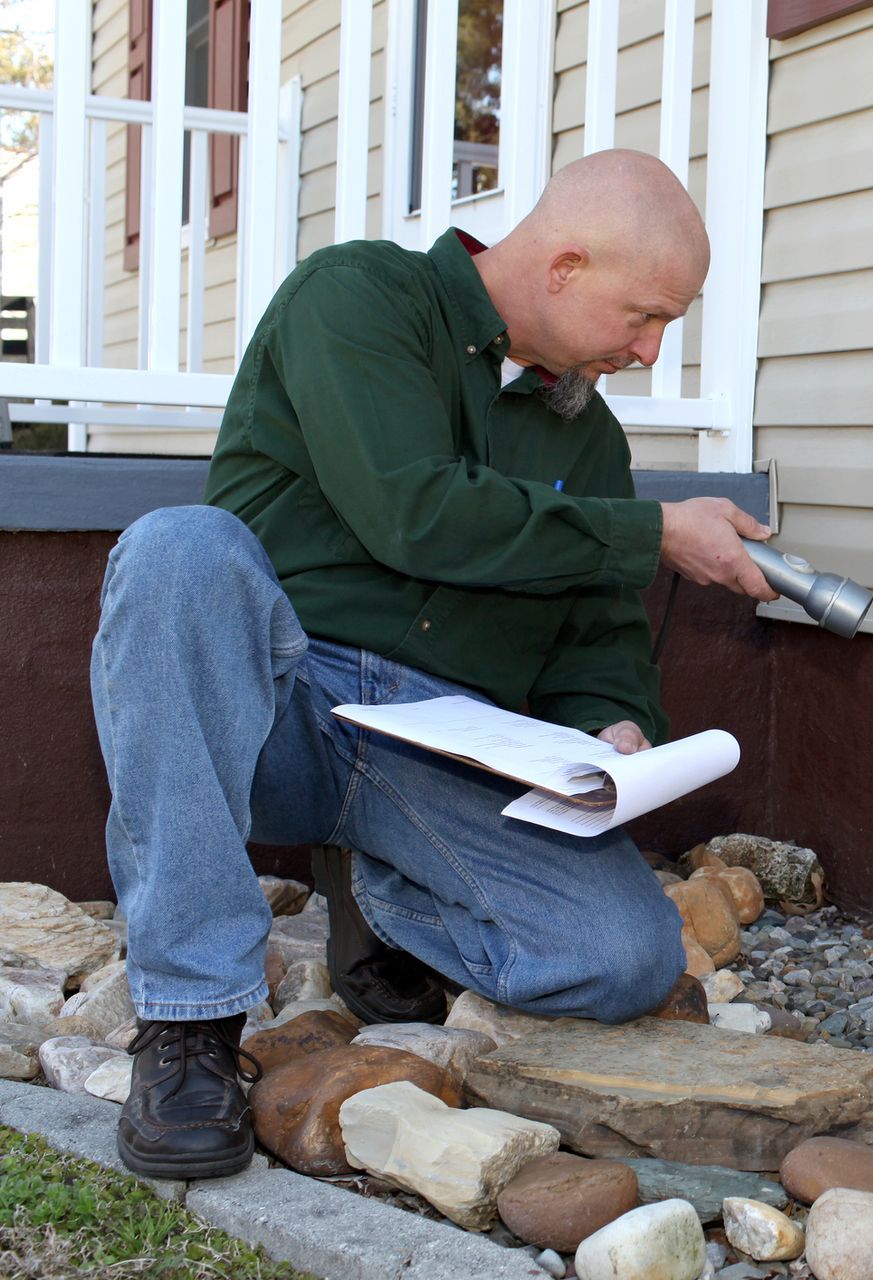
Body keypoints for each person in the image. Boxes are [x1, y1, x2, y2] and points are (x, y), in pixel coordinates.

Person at [89, 150, 776, 1179]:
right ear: (564, 264)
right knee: (178, 549)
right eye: (644, 314)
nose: (650, 346)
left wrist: (615, 726)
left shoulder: (589, 439)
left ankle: (385, 901)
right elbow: (415, 510)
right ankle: (189, 1023)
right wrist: (655, 533)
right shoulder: (361, 297)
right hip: (281, 703)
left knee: (624, 955)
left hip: (437, 744)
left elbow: (599, 634)